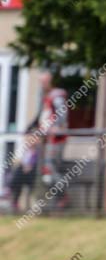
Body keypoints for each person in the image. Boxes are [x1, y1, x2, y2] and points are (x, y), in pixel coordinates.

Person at [29, 70, 69, 206]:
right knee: (46, 171)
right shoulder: (46, 97)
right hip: (47, 140)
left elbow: (62, 114)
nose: (42, 84)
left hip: (55, 140)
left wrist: (56, 127)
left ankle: (62, 197)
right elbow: (42, 116)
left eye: (45, 81)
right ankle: (53, 202)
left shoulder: (56, 96)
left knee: (51, 169)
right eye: (41, 82)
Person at [6, 128, 40, 211]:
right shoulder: (25, 151)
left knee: (19, 174)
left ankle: (10, 189)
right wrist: (24, 165)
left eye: (32, 138)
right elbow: (17, 161)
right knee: (19, 172)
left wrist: (28, 167)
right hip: (24, 174)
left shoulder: (38, 151)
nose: (29, 140)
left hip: (33, 174)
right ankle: (13, 198)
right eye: (28, 138)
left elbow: (37, 163)